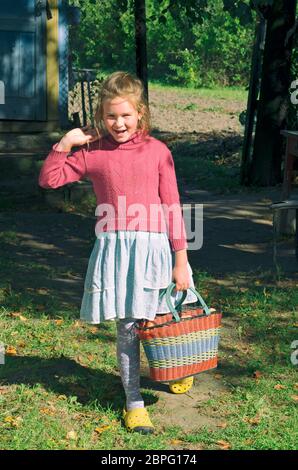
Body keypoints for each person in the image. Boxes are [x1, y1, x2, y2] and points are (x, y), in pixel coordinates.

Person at [38, 71, 198, 434]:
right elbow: (49, 180)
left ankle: (177, 366)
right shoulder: (93, 154)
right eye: (111, 116)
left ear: (140, 112)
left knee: (167, 317)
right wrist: (66, 143)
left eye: (126, 115)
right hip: (118, 251)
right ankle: (134, 401)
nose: (119, 123)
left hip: (156, 248)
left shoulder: (158, 152)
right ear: (101, 115)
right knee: (128, 328)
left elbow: (172, 207)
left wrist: (181, 259)